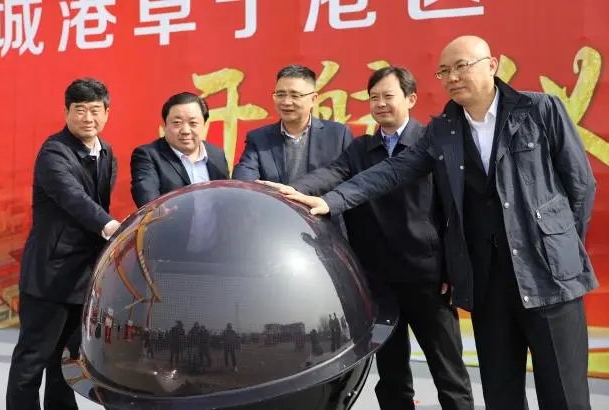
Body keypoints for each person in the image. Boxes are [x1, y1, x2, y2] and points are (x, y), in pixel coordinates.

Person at [281, 36, 597, 410]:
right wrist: (329, 201)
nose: (452, 77)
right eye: (444, 71)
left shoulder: (539, 110)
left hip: (548, 278)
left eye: (461, 66)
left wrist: (559, 249)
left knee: (564, 394)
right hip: (488, 283)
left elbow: (580, 185)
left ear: (492, 65)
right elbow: (393, 171)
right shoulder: (444, 129)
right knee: (501, 393)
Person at [261, 67, 473, 410]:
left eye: (388, 96)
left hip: (428, 279)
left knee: (448, 373)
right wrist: (291, 191)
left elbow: (453, 210)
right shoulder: (361, 148)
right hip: (379, 282)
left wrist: (452, 267)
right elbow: (332, 174)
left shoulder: (431, 143)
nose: (380, 104)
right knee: (391, 377)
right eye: (374, 98)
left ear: (411, 99)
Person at [7, 78, 121, 410]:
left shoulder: (106, 152)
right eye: (80, 110)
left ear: (107, 112)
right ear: (66, 112)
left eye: (95, 110)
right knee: (32, 360)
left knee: (67, 362)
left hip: (83, 277)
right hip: (50, 276)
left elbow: (98, 200)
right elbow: (74, 199)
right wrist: (109, 225)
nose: (88, 118)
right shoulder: (53, 152)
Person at [232, 64, 354, 184]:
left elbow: (352, 182)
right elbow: (244, 178)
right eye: (280, 95)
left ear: (313, 99)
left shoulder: (338, 135)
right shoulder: (259, 138)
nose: (286, 102)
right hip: (273, 198)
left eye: (295, 95)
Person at [130, 92, 229, 208]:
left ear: (204, 125)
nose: (185, 131)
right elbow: (147, 197)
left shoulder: (217, 155)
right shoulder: (148, 156)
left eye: (193, 123)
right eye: (177, 123)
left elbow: (226, 198)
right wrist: (157, 211)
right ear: (165, 126)